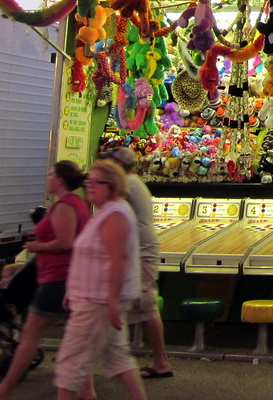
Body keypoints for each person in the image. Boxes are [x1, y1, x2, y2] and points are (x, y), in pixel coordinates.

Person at [0, 161, 94, 400]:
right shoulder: (78, 203)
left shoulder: (65, 206)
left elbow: (64, 242)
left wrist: (37, 245)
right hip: (69, 277)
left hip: (57, 278)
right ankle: (86, 390)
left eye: (51, 174)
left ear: (59, 180)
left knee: (30, 334)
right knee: (77, 335)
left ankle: (1, 391)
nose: (48, 178)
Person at [53, 159, 147, 400]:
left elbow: (117, 260)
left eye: (98, 182)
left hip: (98, 301)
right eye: (89, 181)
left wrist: (113, 300)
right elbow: (93, 258)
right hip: (94, 298)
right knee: (118, 357)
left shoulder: (115, 214)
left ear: (113, 185)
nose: (90, 186)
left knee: (70, 363)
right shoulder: (107, 211)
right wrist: (72, 290)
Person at [98, 147, 173, 379]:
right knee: (133, 305)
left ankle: (160, 362)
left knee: (146, 306)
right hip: (140, 251)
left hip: (141, 253)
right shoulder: (133, 181)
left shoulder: (127, 183)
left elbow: (108, 208)